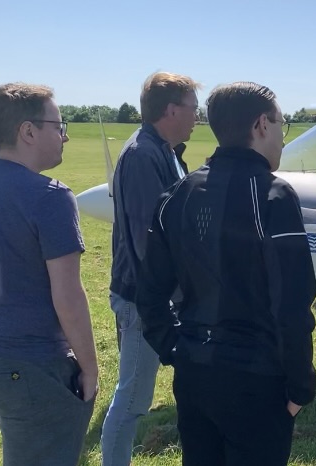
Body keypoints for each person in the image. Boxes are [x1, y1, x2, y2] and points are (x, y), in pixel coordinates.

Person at [137, 81, 316, 465]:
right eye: (281, 125)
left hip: (194, 377)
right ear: (261, 126)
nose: (283, 140)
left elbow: (149, 292)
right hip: (257, 383)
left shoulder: (176, 194)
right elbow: (292, 305)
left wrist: (175, 350)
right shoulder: (276, 196)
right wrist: (301, 387)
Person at [0, 83, 98, 465]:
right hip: (28, 360)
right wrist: (90, 369)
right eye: (59, 125)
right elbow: (68, 295)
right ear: (29, 131)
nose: (65, 135)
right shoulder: (50, 195)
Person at [102, 71, 200, 466]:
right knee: (132, 400)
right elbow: (149, 240)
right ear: (172, 110)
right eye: (194, 108)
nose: (198, 116)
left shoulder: (162, 150)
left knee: (135, 396)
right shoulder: (144, 155)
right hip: (144, 300)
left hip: (155, 297)